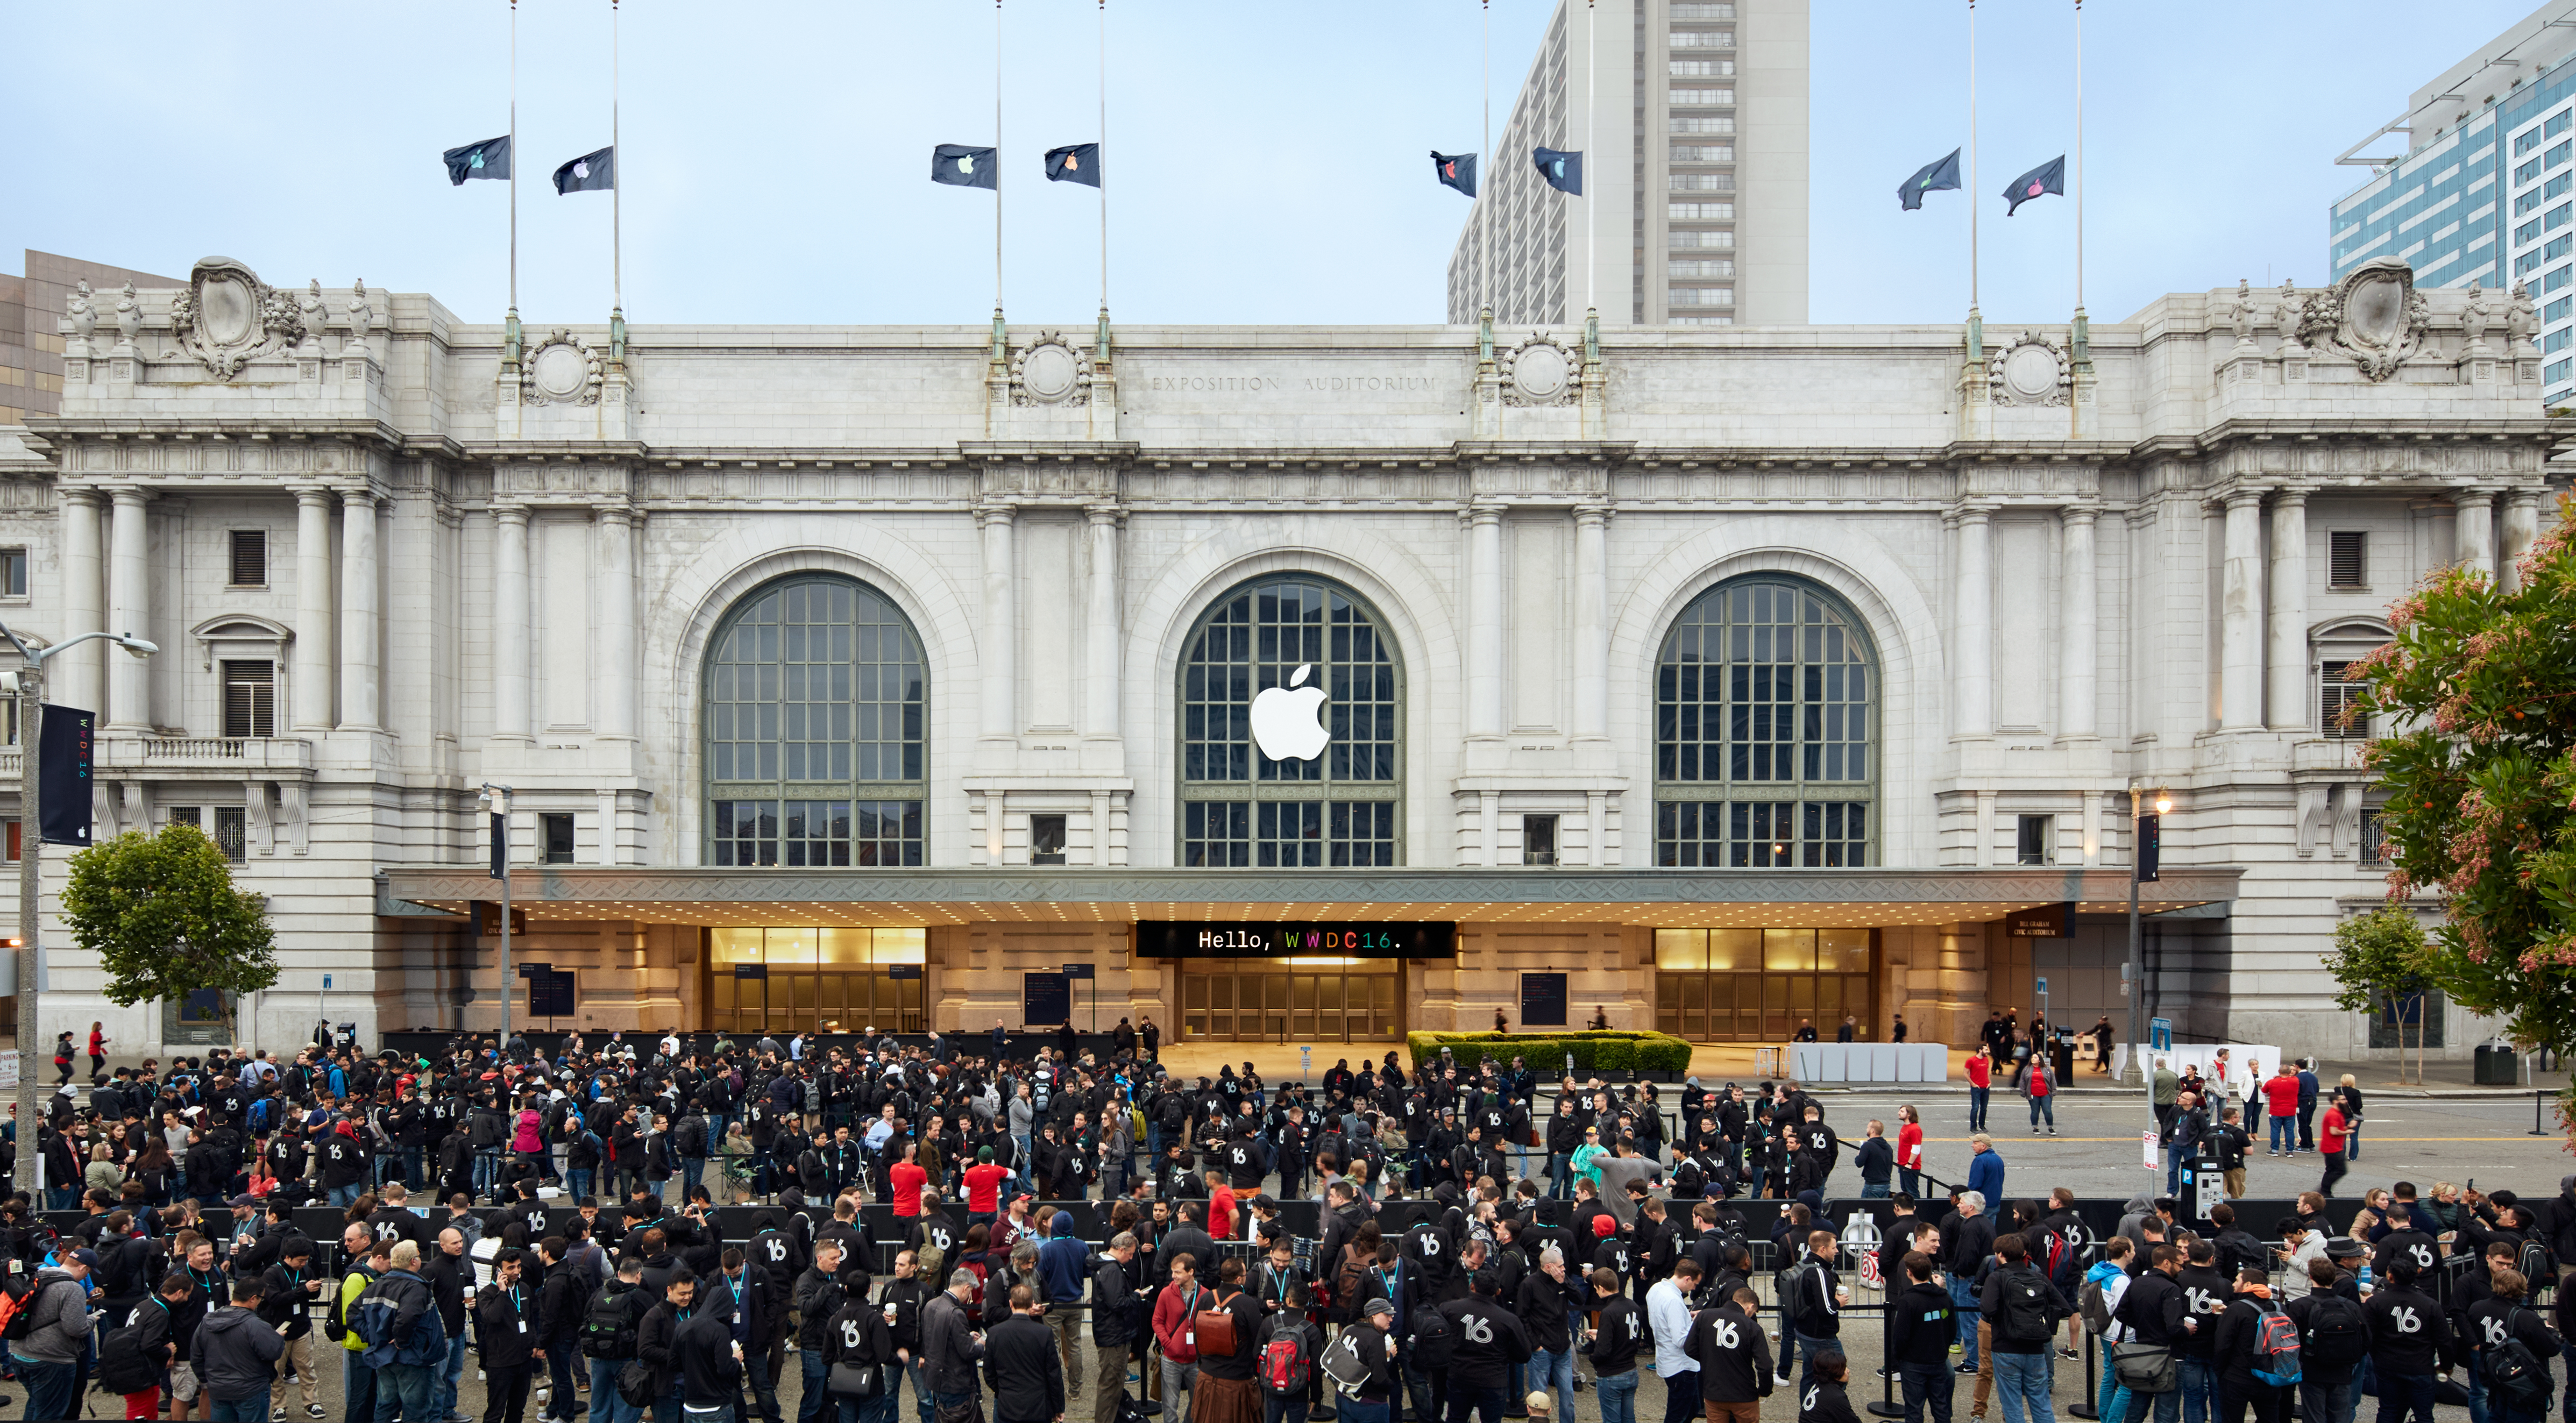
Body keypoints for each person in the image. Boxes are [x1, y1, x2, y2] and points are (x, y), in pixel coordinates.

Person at [1980, 1233, 2068, 1423]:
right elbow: (2065, 1308)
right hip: (2036, 1348)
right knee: (2041, 1402)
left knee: (2012, 1405)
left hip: (2006, 1347)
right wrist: (2045, 1326)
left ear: (2001, 1255)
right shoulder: (2038, 1276)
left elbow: (1988, 1309)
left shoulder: (1997, 1278)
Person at [195, 1277, 287, 1423]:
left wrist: (211, 1381)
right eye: (261, 1299)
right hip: (251, 1392)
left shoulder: (206, 1323)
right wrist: (277, 1339)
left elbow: (196, 1358)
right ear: (253, 1299)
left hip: (218, 1390)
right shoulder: (255, 1325)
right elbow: (272, 1352)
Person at [1687, 1284, 1774, 1423]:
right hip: (1744, 1395)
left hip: (1714, 1392)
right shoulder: (1752, 1327)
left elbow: (1689, 1349)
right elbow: (1765, 1366)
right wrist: (1764, 1390)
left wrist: (1710, 1359)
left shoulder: (1704, 1316)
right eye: (1753, 1313)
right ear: (1750, 1307)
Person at [1887, 1250, 1955, 1423]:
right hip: (1938, 1360)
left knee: (1914, 1410)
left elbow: (1901, 1335)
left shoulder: (1908, 1301)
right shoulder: (1945, 1298)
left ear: (1909, 1273)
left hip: (1914, 1363)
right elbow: (1952, 1328)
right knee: (1941, 1408)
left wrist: (1900, 1356)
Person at [988, 1283, 1065, 1423]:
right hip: (1037, 1407)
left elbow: (989, 1372)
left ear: (1011, 1304)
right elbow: (1054, 1374)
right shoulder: (1044, 1333)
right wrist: (1058, 1407)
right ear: (1032, 1304)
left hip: (1008, 1406)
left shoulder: (995, 1333)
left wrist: (1002, 1390)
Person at [1648, 1260, 1703, 1423]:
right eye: (1694, 1284)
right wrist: (1697, 1324)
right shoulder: (1674, 1300)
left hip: (1668, 1361)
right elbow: (1681, 1340)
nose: (1694, 1288)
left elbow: (1664, 1318)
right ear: (1687, 1279)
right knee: (1677, 1416)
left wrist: (1687, 1316)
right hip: (1681, 1367)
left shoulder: (1656, 1288)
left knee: (1692, 1409)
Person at [1586, 1265, 1643, 1423]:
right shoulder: (1634, 1306)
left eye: (1596, 1289)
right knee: (1629, 1418)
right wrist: (1602, 1334)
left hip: (1611, 1375)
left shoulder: (1609, 1312)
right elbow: (1633, 1336)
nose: (1596, 1292)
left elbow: (1603, 1351)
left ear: (1602, 1288)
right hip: (1631, 1370)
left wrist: (1593, 1359)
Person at [1798, 1351, 1862, 1423]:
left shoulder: (1819, 1385)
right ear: (1835, 1373)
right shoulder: (1836, 1397)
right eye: (1843, 1368)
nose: (1848, 1371)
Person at [1965, 1051, 1991, 1133]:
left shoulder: (1986, 1059)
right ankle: (1973, 1127)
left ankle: (1982, 1125)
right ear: (1980, 1050)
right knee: (1975, 1107)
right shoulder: (1971, 1060)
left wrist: (1989, 1082)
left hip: (1985, 1087)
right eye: (1986, 1049)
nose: (1988, 1051)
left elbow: (1987, 1072)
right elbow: (1965, 1073)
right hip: (1976, 1088)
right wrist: (1972, 1084)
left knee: (1984, 1108)